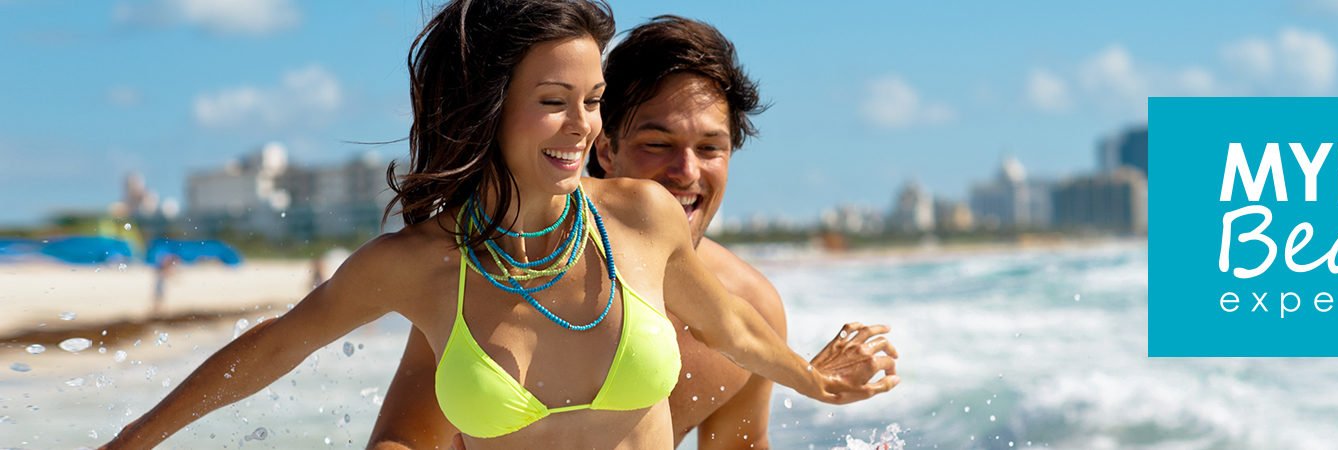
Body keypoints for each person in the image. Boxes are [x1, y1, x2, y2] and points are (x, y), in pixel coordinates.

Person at [104, 1, 898, 449]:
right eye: (556, 101)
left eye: (591, 102)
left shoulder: (639, 219)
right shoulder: (422, 264)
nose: (582, 129)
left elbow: (733, 328)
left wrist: (817, 381)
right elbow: (277, 344)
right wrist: (131, 441)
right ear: (488, 106)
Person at [369, 15, 814, 449]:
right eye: (657, 145)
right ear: (603, 149)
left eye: (710, 148)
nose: (686, 171)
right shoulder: (497, 276)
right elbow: (404, 437)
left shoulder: (753, 307)